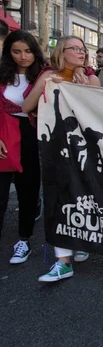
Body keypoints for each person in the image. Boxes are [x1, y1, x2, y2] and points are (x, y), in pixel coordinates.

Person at [22, 36, 100, 281]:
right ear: (61, 52)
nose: (81, 52)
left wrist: (84, 83)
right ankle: (62, 261)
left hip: (84, 148)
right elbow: (26, 107)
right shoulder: (47, 76)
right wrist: (46, 85)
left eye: (83, 49)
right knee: (56, 197)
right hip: (54, 149)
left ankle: (83, 241)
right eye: (75, 48)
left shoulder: (92, 77)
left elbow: (99, 110)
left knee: (85, 194)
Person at [0, 30, 46, 264]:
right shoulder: (1, 76)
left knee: (28, 191)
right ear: (8, 52)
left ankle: (23, 240)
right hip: (3, 137)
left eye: (28, 51)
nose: (23, 56)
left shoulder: (43, 75)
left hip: (30, 137)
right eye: (16, 51)